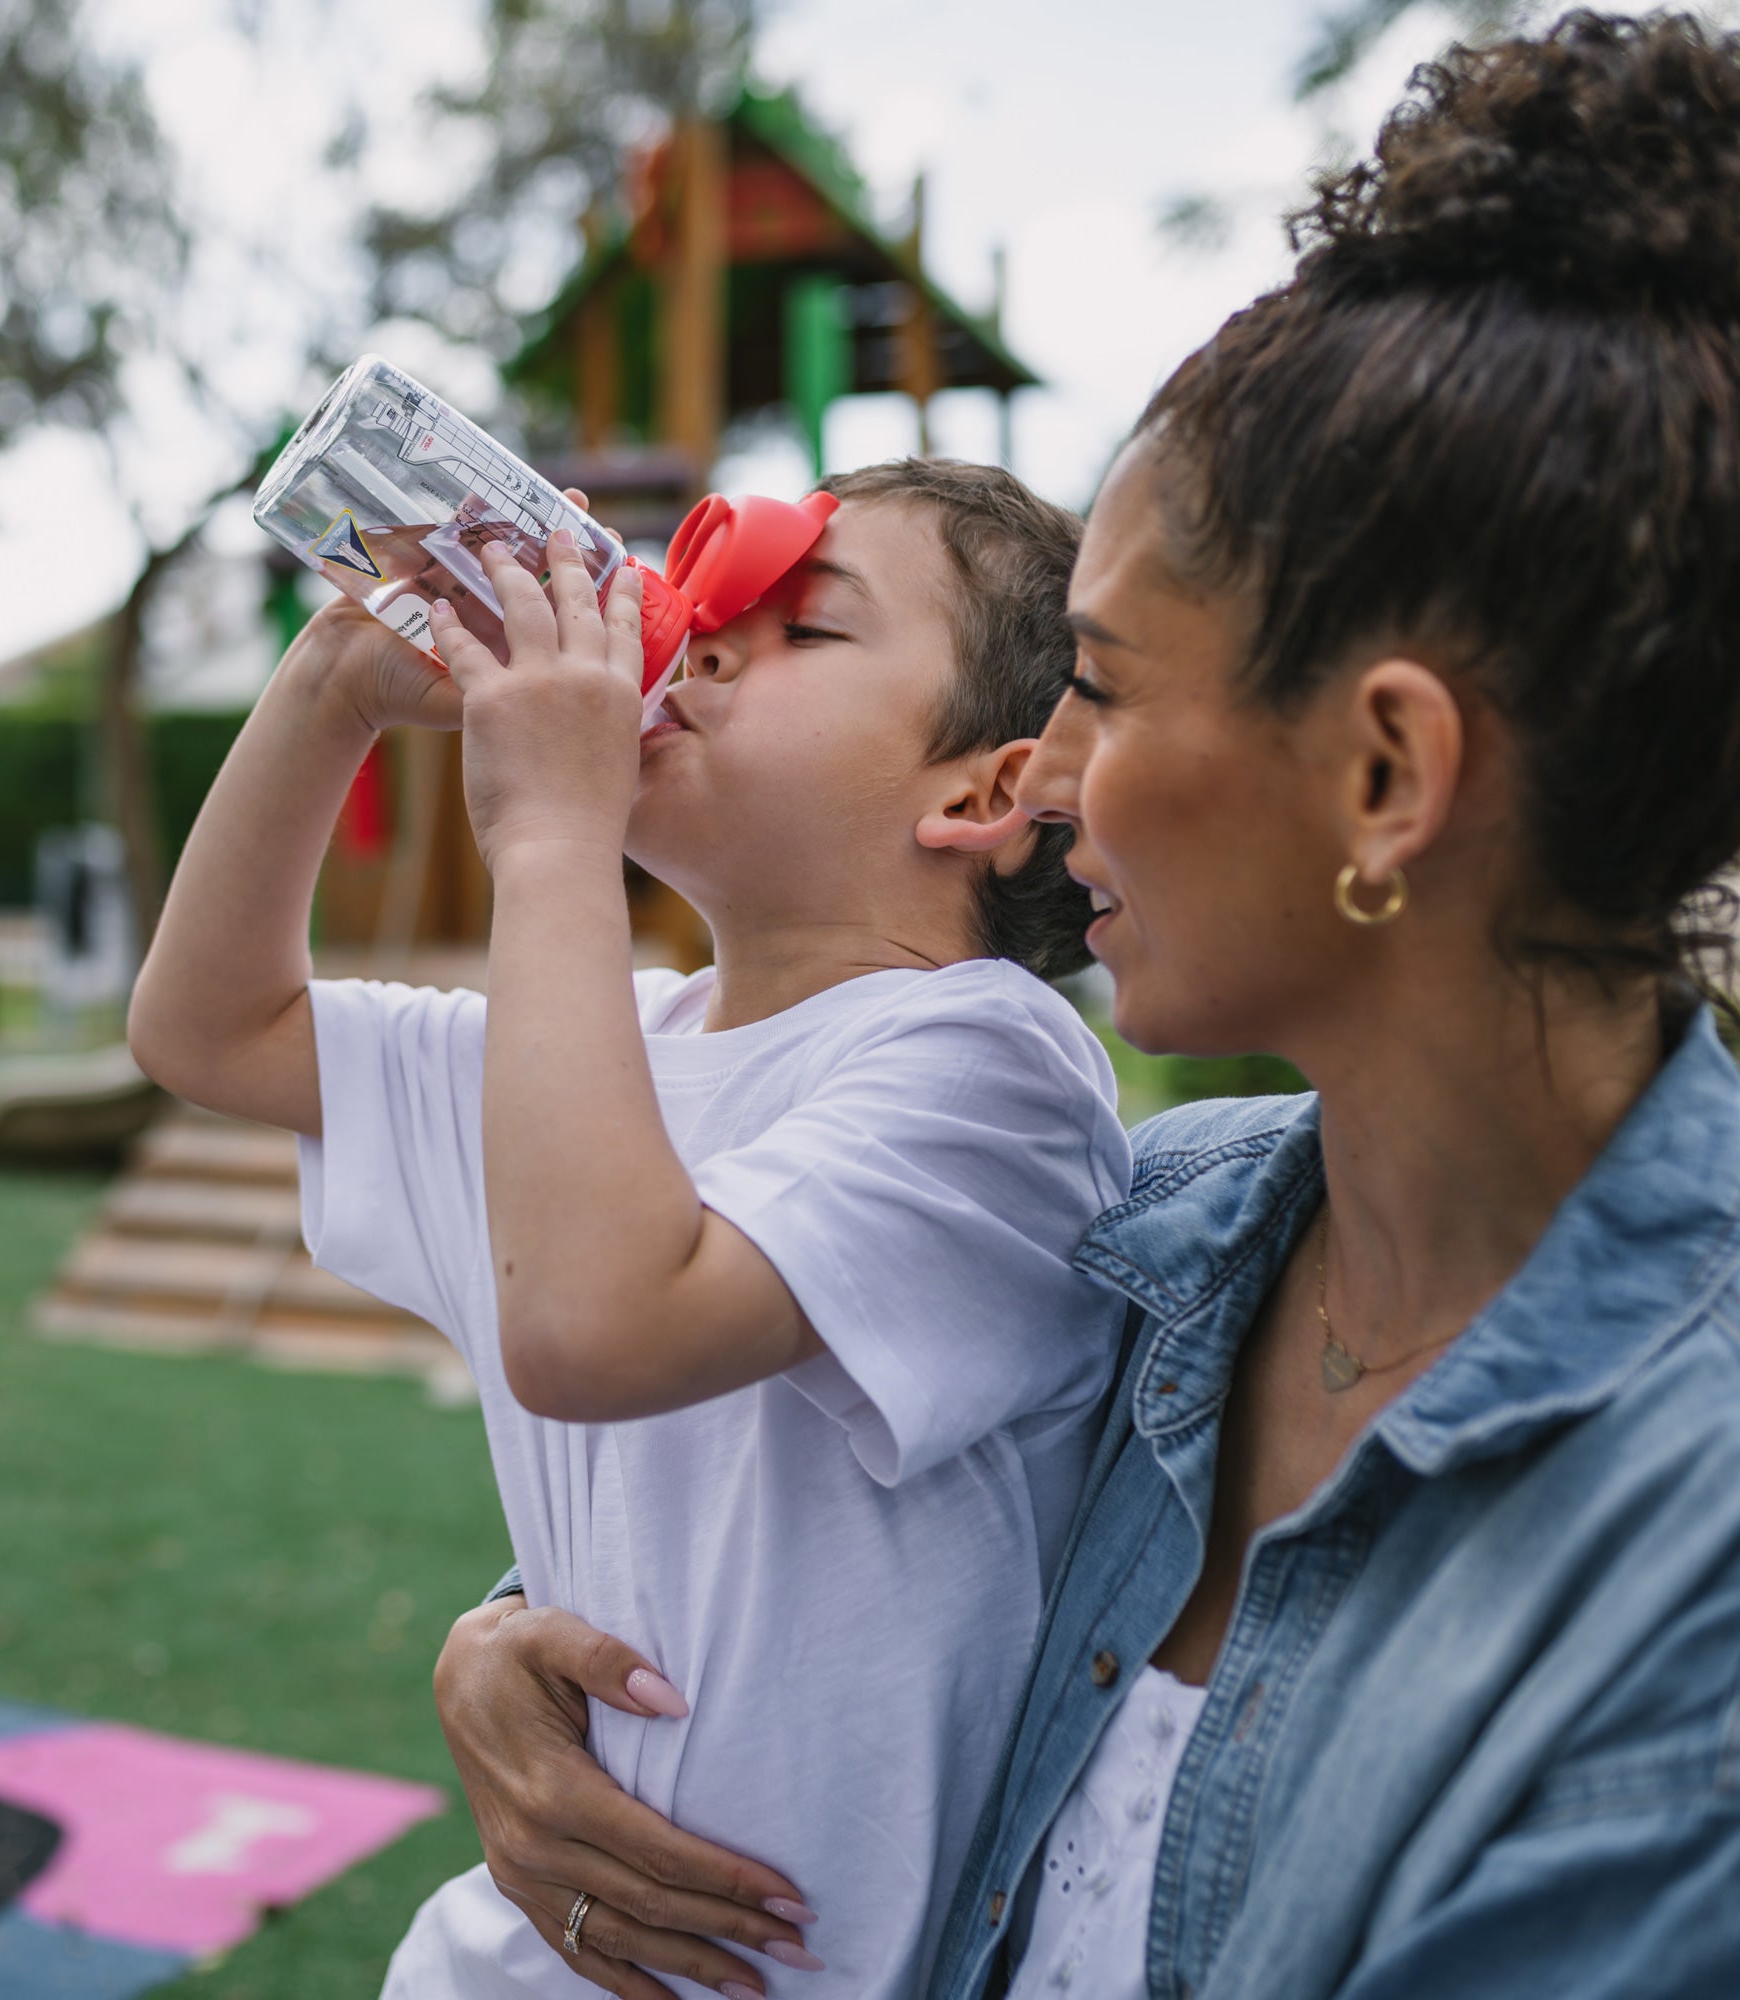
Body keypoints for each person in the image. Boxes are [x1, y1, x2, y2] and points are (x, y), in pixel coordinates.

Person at [428, 12, 1740, 1998]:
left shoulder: (1685, 1576)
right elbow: (822, 1512)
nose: (1036, 779)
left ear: (1386, 774)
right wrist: (513, 1638)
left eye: (1103, 686)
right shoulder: (1165, 1237)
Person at [127, 459, 1140, 1996]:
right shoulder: (613, 1049)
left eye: (808, 626)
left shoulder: (989, 1066)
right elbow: (209, 1029)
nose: (705, 640)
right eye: (717, 612)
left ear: (984, 796)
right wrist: (333, 682)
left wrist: (549, 835)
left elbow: (595, 1327)